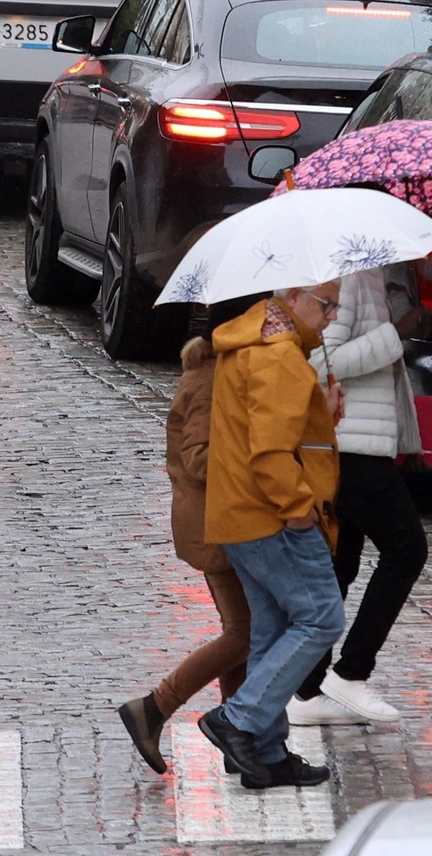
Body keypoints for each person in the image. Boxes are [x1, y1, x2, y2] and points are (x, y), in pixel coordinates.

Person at [197, 284, 347, 790]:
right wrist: (300, 512)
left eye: (336, 304)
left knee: (274, 630)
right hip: (272, 518)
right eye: (326, 304)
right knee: (321, 618)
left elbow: (267, 429)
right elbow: (270, 453)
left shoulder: (253, 340)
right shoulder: (280, 356)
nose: (333, 314)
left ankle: (264, 755)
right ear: (295, 295)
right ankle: (237, 721)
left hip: (238, 514)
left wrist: (321, 410)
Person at [286, 269, 431, 725]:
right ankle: (350, 673)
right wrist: (395, 333)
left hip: (354, 441)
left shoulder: (370, 275)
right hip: (351, 445)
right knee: (407, 549)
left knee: (340, 564)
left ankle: (306, 690)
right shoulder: (348, 275)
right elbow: (319, 359)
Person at [117, 303, 252, 776]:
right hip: (215, 523)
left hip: (219, 520)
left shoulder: (218, 372)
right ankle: (155, 707)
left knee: (243, 632)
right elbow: (199, 458)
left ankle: (240, 738)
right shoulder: (211, 380)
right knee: (244, 633)